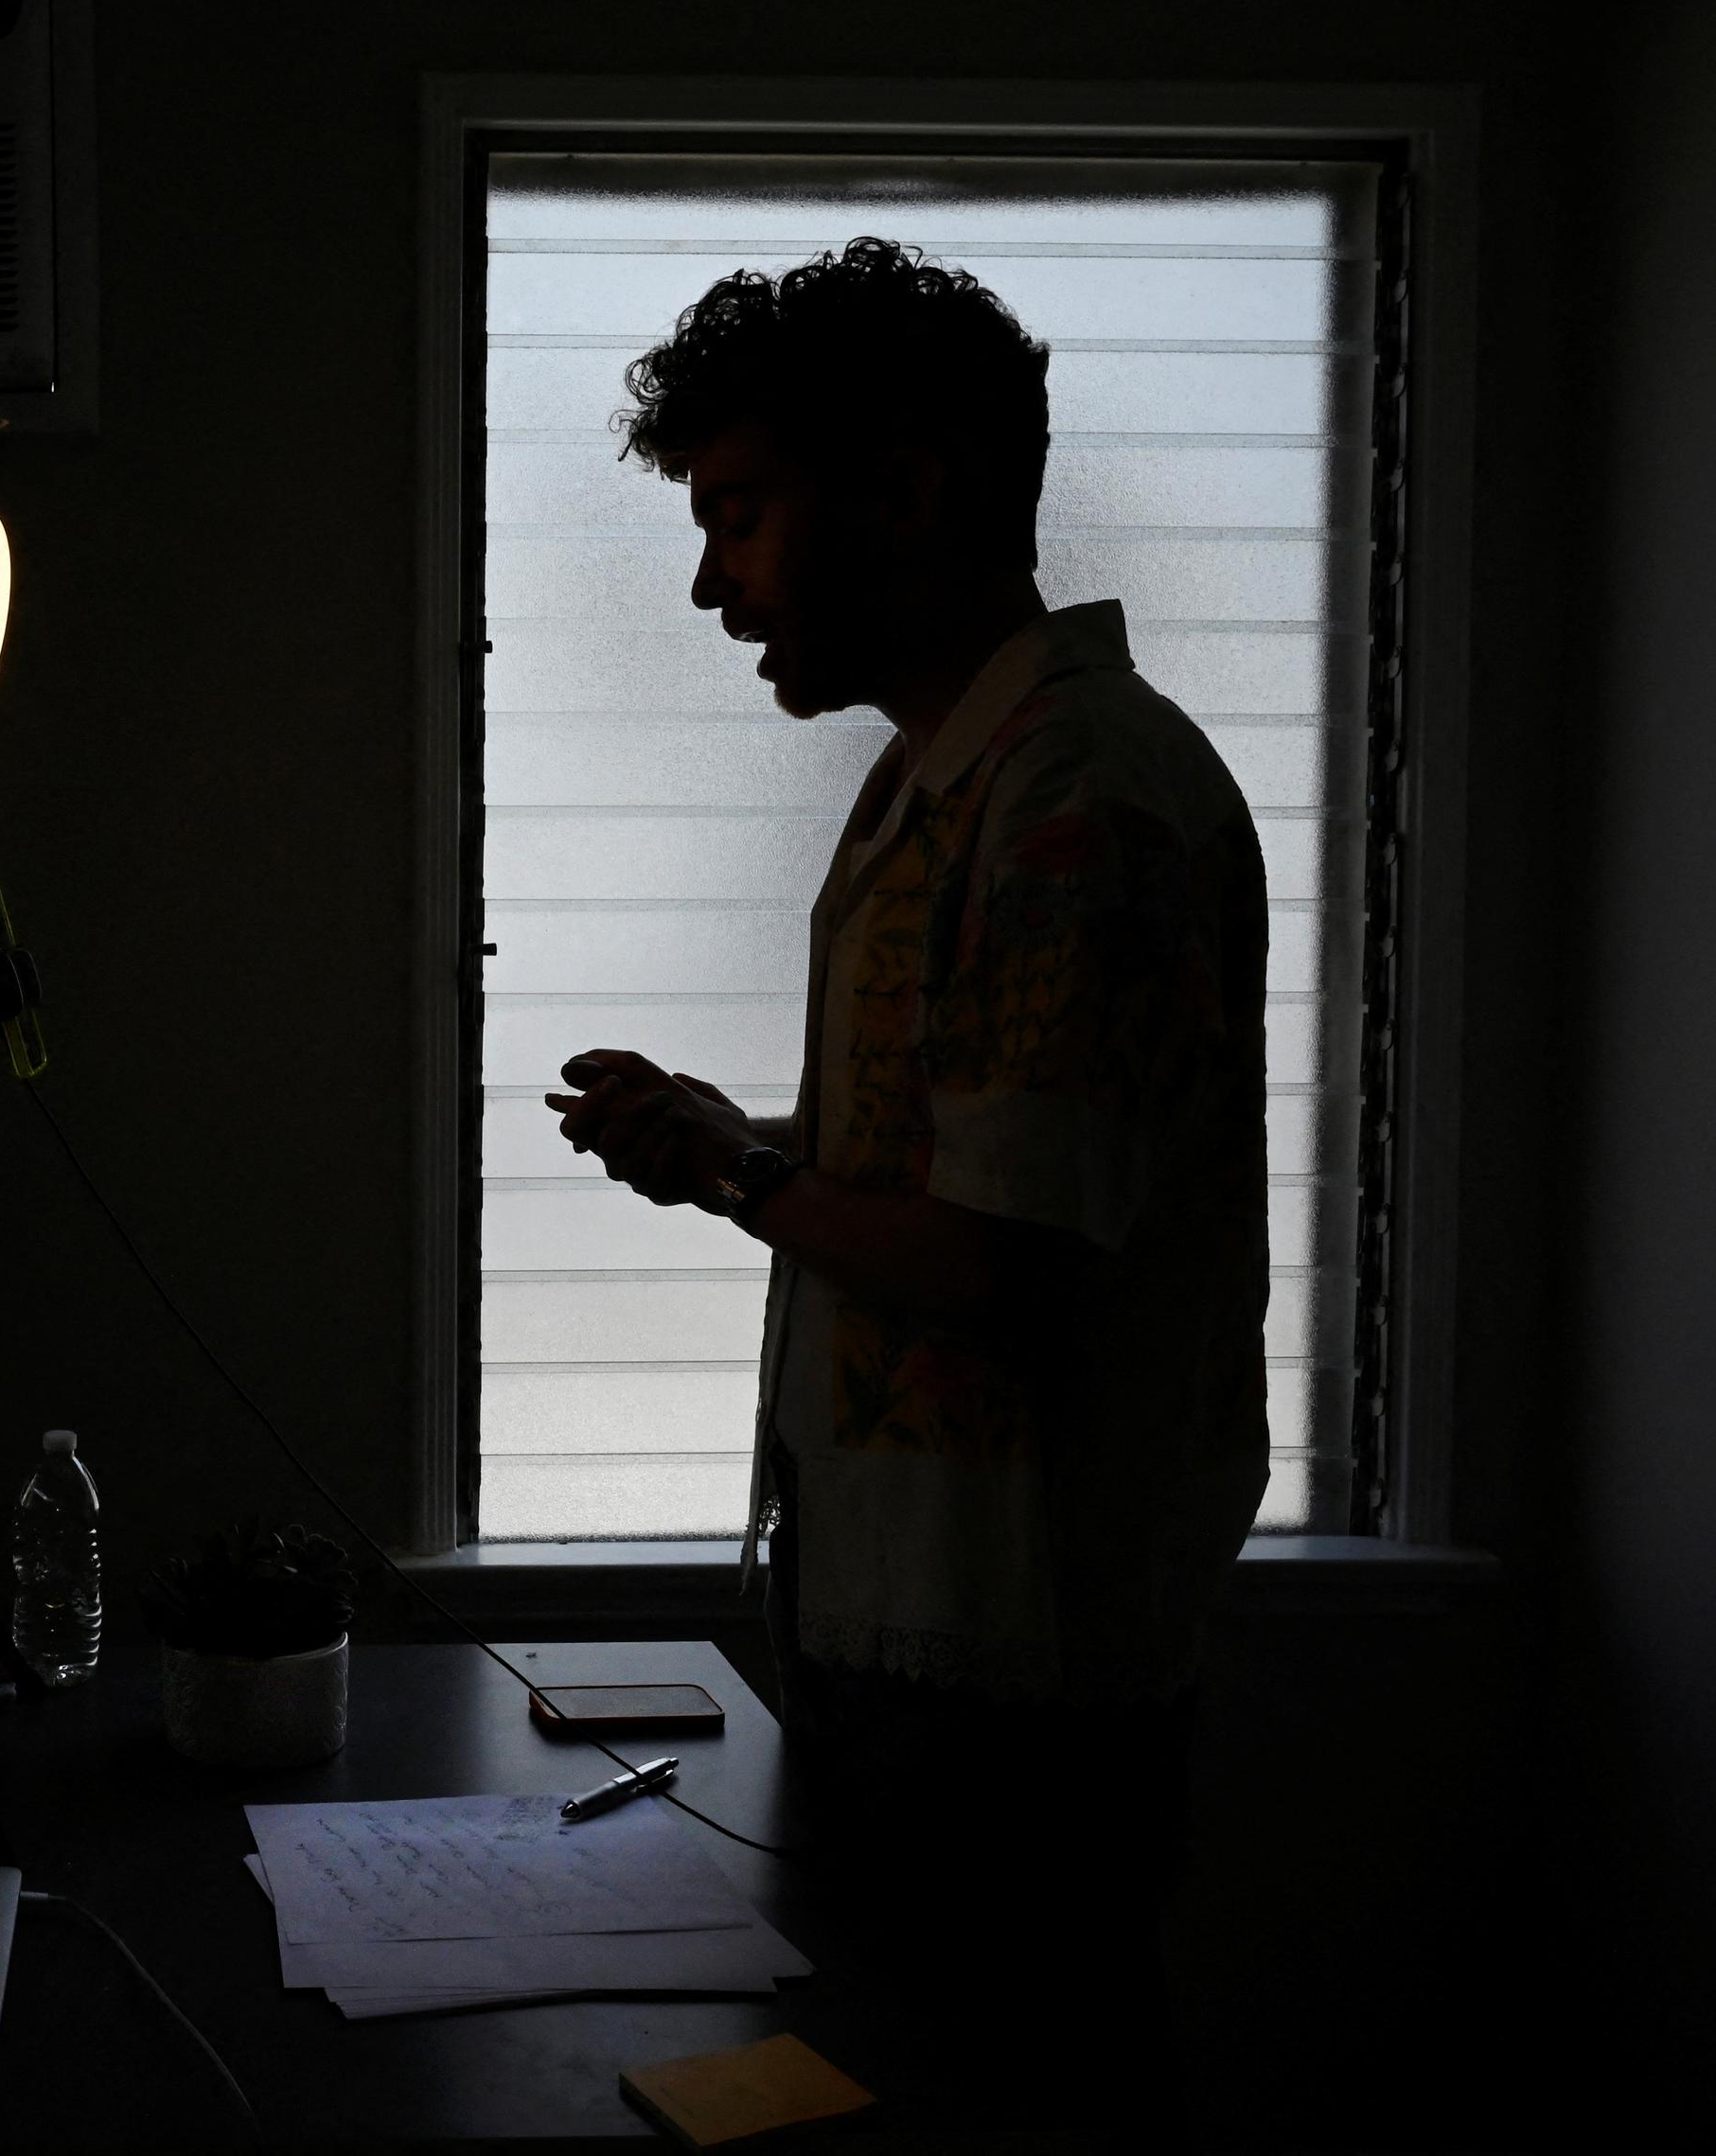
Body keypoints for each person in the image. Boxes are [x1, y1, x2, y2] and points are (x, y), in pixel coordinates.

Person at [545, 239, 1267, 2139]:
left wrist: (727, 1165)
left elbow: (1006, 1261)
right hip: (917, 1649)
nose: (713, 583)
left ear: (915, 485)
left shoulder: (1075, 803)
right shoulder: (948, 783)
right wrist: (740, 1139)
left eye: (746, 513)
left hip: (1010, 1686)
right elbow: (944, 1171)